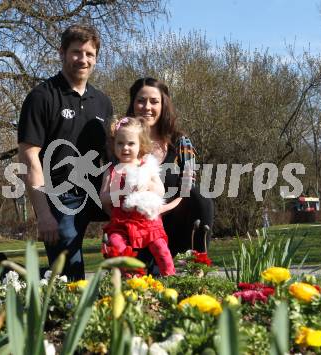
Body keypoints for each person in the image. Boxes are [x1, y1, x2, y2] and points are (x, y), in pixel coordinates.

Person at [18, 24, 113, 281]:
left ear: (96, 57)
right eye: (76, 52)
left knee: (139, 238)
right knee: (69, 274)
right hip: (59, 199)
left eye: (90, 54)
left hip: (97, 193)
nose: (83, 60)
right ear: (62, 53)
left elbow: (113, 155)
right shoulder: (42, 97)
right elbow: (29, 158)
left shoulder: (103, 102)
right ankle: (18, 278)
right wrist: (44, 215)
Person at [126, 77, 213, 259]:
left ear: (163, 105)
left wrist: (161, 210)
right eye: (140, 101)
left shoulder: (181, 142)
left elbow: (187, 190)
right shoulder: (123, 143)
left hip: (173, 220)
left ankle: (198, 260)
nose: (147, 107)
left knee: (200, 197)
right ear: (133, 104)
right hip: (135, 222)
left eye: (154, 101)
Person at [100, 117, 176, 276]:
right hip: (121, 222)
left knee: (161, 248)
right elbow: (103, 197)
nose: (125, 148)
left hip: (147, 221)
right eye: (120, 143)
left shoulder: (147, 167)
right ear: (113, 145)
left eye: (131, 143)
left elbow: (161, 191)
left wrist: (147, 185)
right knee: (116, 245)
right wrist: (121, 191)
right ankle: (133, 279)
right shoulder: (112, 170)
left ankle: (170, 277)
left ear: (141, 144)